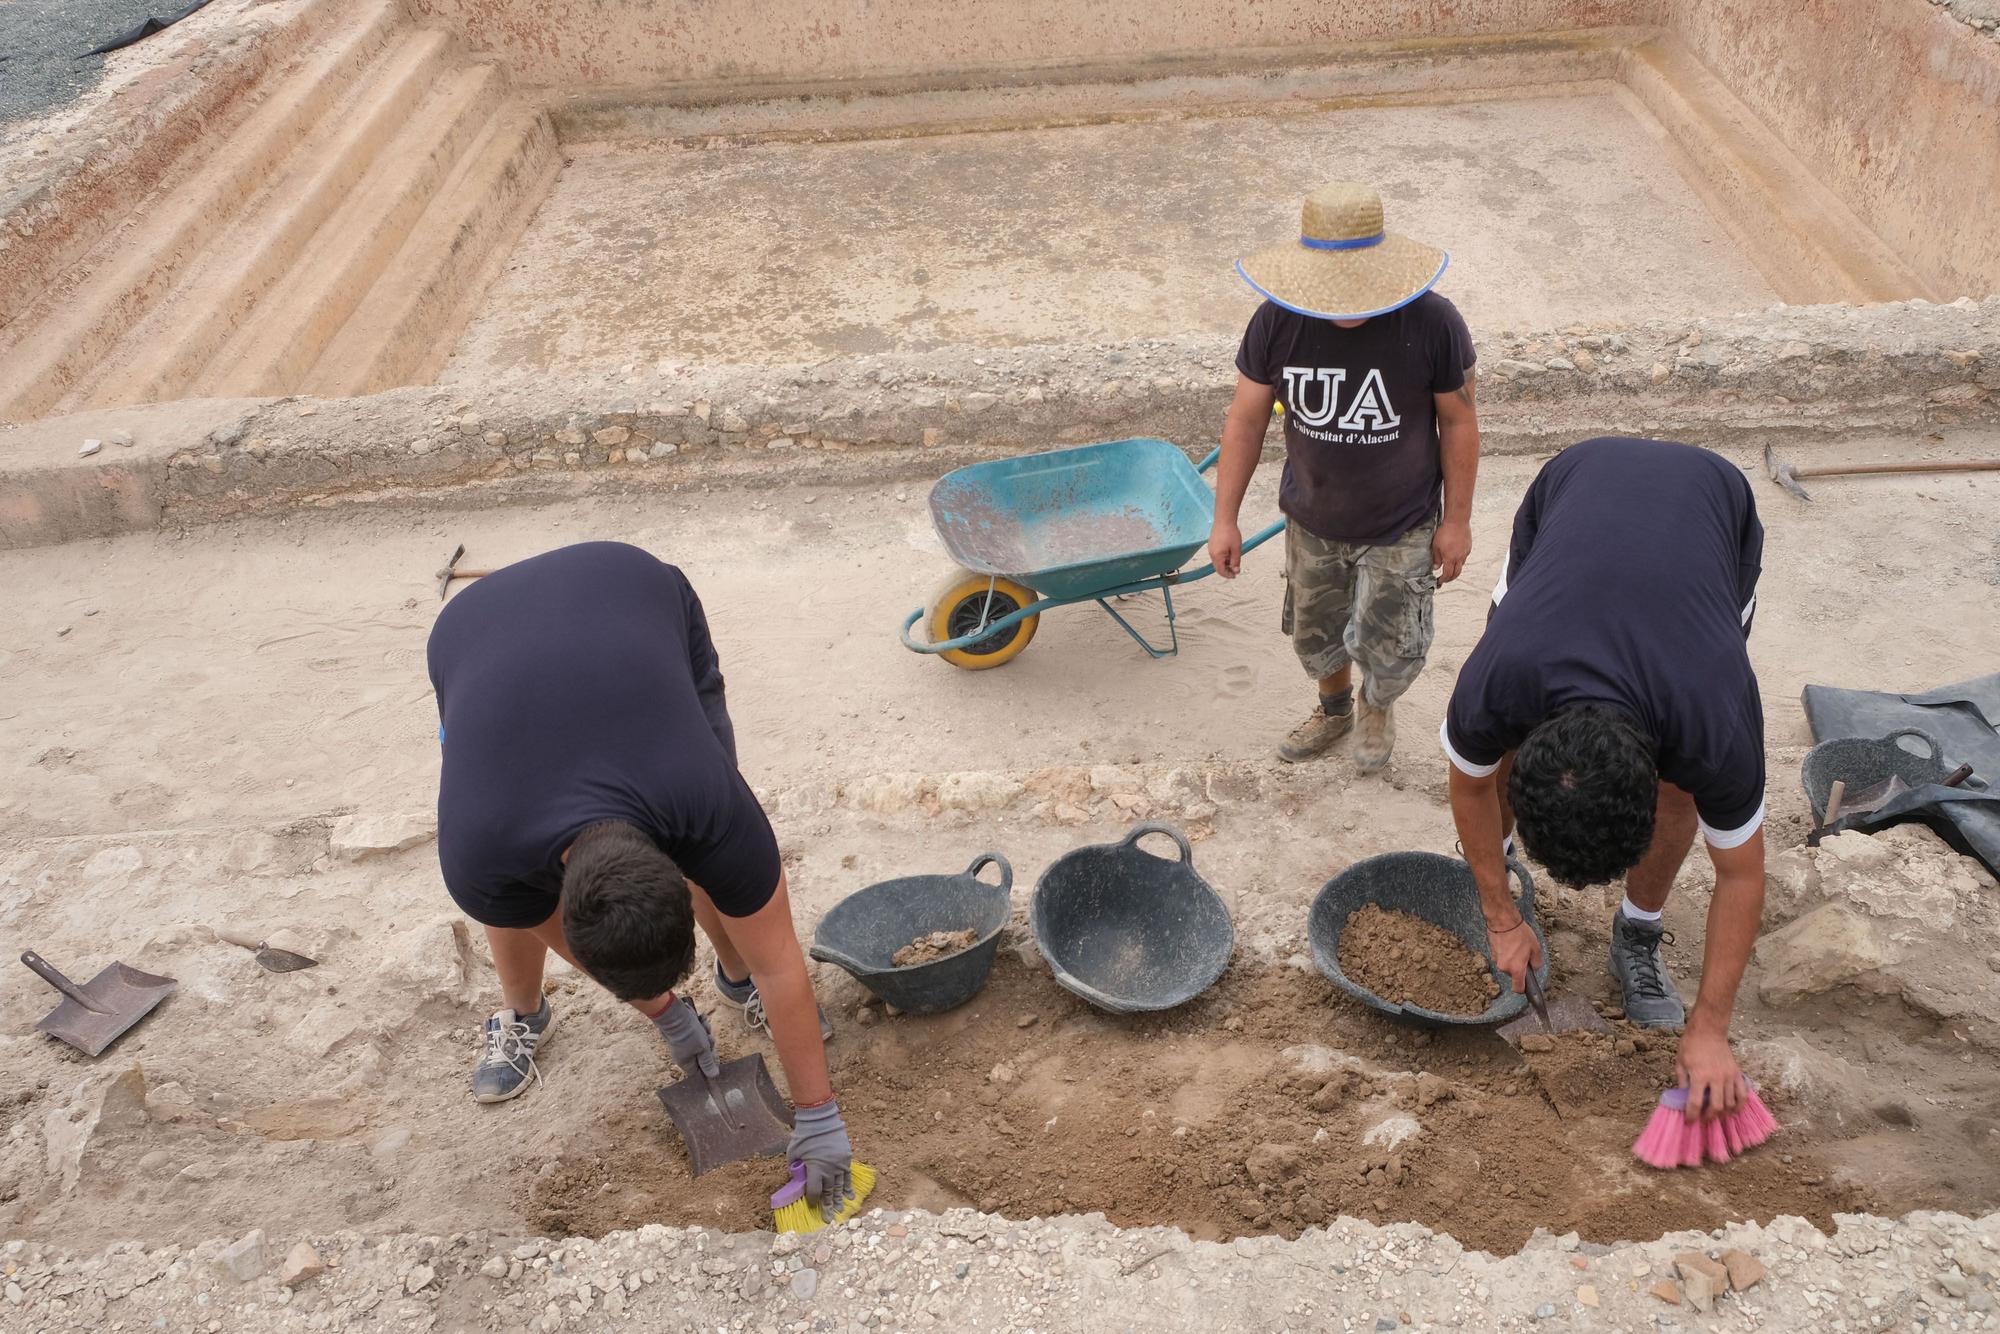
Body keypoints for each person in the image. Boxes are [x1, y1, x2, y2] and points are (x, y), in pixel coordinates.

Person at [427, 540, 855, 1213]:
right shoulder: (478, 850)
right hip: (471, 631)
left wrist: (820, 1111)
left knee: (747, 939)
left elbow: (782, 962)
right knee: (506, 896)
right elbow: (526, 911)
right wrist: (664, 1013)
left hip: (629, 585)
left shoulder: (712, 807)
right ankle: (525, 1015)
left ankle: (730, 978)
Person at [1441, 437, 1766, 1122]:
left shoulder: (1713, 717)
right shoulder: (1499, 678)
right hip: (1575, 484)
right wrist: (1500, 918)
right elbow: (1471, 783)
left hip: (1711, 507)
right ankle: (1505, 888)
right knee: (1489, 751)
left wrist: (1709, 1029)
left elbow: (1741, 873)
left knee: (1688, 787)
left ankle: (1637, 934)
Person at [1208, 180, 1480, 772]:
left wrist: (1456, 521)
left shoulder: (1433, 322)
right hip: (1312, 518)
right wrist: (1223, 518)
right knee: (1316, 632)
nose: (1347, 302)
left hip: (1402, 523)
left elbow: (1459, 422)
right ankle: (1334, 711)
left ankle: (1376, 705)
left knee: (1393, 638)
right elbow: (1245, 420)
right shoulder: (1276, 323)